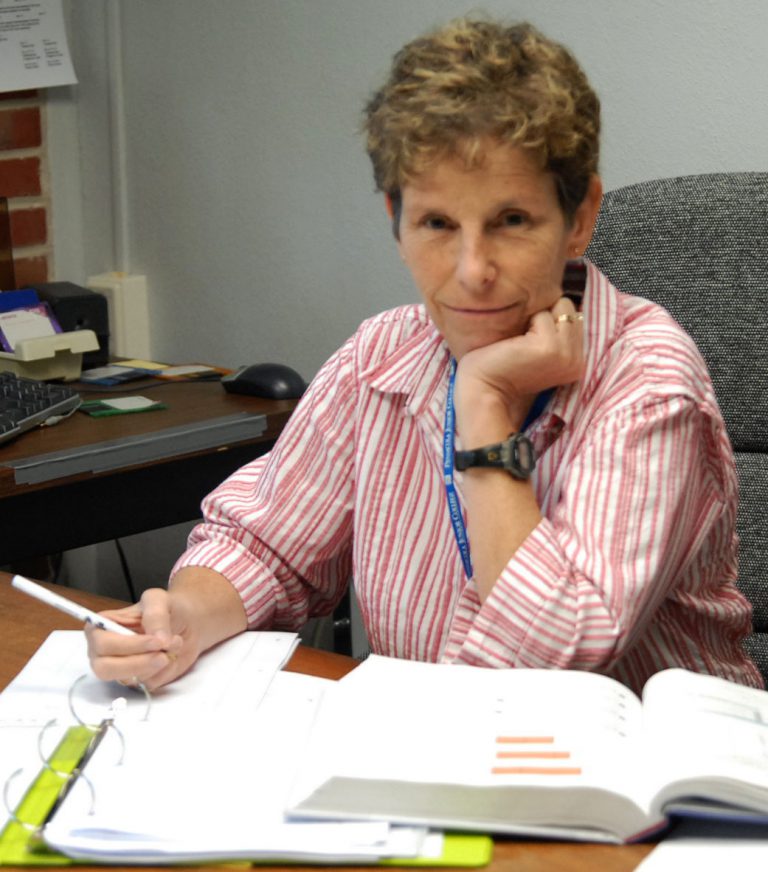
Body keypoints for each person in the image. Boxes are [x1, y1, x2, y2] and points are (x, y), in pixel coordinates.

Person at [87, 17, 762, 694]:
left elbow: (552, 656)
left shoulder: (649, 383)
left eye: (512, 221)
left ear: (580, 216)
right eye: (437, 224)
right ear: (395, 218)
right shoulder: (380, 357)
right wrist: (183, 616)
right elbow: (266, 548)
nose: (472, 271)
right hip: (430, 753)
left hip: (646, 778)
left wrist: (484, 404)